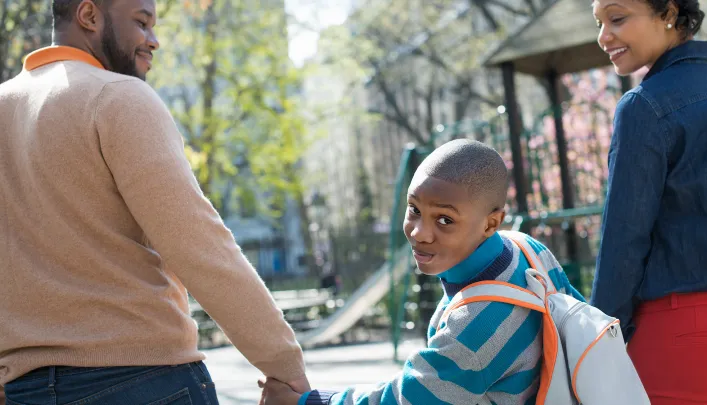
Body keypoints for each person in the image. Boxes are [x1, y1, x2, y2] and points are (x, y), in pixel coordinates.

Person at [0, 0, 310, 404]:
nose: (154, 41)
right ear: (89, 16)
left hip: (25, 390)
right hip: (144, 381)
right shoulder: (117, 96)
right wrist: (287, 369)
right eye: (142, 23)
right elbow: (199, 246)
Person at [260, 139, 585, 405]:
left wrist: (304, 401)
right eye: (414, 209)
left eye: (445, 219)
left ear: (491, 223)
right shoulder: (528, 249)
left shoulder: (478, 322)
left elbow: (405, 400)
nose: (419, 232)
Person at [590, 0, 707, 403]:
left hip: (681, 337)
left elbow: (624, 243)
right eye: (599, 23)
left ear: (668, 13)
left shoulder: (644, 106)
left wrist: (596, 343)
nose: (603, 36)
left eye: (617, 18)